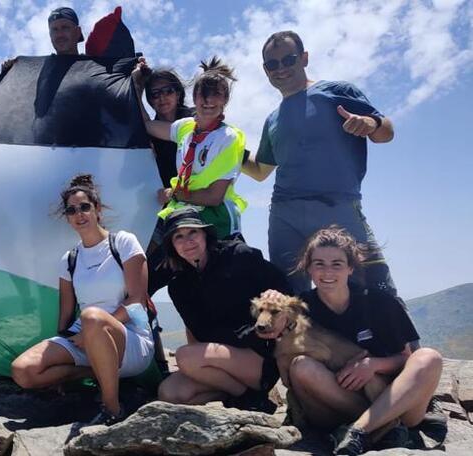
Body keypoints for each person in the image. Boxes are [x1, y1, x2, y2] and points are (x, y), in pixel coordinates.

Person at [256, 227, 442, 455]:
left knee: (429, 358)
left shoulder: (379, 303)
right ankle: (381, 430)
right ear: (309, 268)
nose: (327, 272)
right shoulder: (300, 307)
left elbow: (405, 360)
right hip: (333, 403)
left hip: (391, 401)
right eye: (319, 264)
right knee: (301, 366)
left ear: (350, 267)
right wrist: (274, 301)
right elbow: (269, 333)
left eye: (337, 264)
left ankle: (360, 432)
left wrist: (372, 365)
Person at [243, 31, 398, 296]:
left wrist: (370, 124)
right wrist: (226, 144)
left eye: (288, 59)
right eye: (272, 64)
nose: (281, 68)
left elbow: (386, 132)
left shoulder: (336, 92)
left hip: (337, 207)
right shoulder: (272, 119)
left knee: (373, 289)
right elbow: (260, 171)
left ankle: (400, 339)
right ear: (265, 69)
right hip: (285, 214)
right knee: (290, 296)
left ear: (304, 58)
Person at [11, 174, 160, 426]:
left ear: (97, 209)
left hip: (131, 337)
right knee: (23, 371)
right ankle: (97, 370)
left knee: (91, 316)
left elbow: (136, 301)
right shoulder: (69, 259)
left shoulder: (123, 242)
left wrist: (92, 330)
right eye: (71, 210)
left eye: (84, 207)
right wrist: (70, 339)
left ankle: (112, 408)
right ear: (67, 218)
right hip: (86, 336)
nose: (78, 214)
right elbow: (66, 315)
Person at [156, 207, 291, 413]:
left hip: (259, 354)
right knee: (170, 393)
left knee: (185, 356)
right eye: (179, 237)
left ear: (205, 234)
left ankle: (251, 397)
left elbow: (286, 290)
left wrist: (277, 301)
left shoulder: (239, 256)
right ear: (172, 246)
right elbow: (198, 332)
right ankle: (240, 395)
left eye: (193, 232)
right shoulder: (179, 287)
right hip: (218, 360)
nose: (188, 241)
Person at [132, 56, 248, 239]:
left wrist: (173, 194)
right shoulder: (185, 127)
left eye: (216, 94)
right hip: (185, 218)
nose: (209, 100)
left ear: (225, 99)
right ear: (194, 97)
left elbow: (214, 197)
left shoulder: (229, 138)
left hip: (218, 220)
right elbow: (146, 124)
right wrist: (136, 86)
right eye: (203, 94)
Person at [142, 68, 195, 188]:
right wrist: (136, 85)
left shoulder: (197, 116)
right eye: (155, 94)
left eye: (168, 91)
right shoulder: (148, 136)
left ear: (178, 94)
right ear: (150, 100)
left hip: (204, 195)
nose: (162, 97)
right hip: (171, 202)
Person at [0, 6, 83, 72]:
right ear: (50, 36)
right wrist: (10, 73)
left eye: (65, 28)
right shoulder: (39, 71)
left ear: (78, 32)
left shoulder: (93, 70)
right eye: (54, 30)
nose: (59, 34)